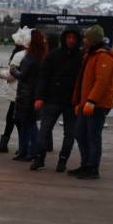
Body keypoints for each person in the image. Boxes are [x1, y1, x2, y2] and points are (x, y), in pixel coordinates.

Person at [31, 26, 82, 172]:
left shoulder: (81, 57)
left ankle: (63, 161)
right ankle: (39, 159)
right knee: (44, 131)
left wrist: (81, 101)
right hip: (52, 100)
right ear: (64, 38)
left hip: (72, 103)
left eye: (73, 38)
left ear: (77, 40)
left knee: (70, 134)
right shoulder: (53, 56)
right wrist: (39, 97)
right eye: (68, 37)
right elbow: (43, 78)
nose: (70, 40)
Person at [70, 24, 113, 180]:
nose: (83, 40)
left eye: (86, 37)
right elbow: (83, 80)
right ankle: (86, 164)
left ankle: (93, 168)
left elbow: (101, 81)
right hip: (87, 103)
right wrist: (80, 102)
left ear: (92, 40)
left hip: (97, 105)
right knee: (79, 133)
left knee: (93, 136)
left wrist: (91, 101)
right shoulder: (90, 54)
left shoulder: (103, 56)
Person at [0, 26, 31, 153]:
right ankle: (19, 145)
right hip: (25, 93)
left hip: (17, 93)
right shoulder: (32, 55)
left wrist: (0, 74)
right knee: (14, 119)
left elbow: (11, 75)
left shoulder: (19, 55)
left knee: (16, 120)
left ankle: (22, 146)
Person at [10, 29, 47, 161]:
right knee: (28, 125)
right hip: (33, 94)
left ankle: (27, 152)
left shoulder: (30, 57)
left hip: (26, 95)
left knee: (28, 125)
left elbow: (23, 76)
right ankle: (28, 151)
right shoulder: (41, 56)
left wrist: (14, 70)